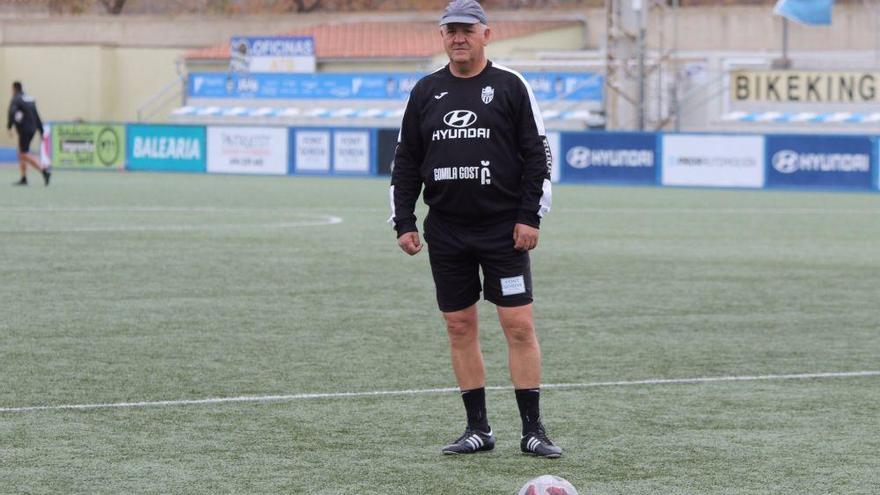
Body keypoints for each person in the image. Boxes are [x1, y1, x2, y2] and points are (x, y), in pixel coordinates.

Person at [388, 0, 560, 458]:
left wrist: (530, 216)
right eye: (450, 31)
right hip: (446, 232)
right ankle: (478, 429)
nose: (458, 37)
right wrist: (403, 220)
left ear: (487, 34)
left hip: (503, 231)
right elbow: (405, 160)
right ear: (442, 37)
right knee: (459, 325)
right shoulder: (426, 91)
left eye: (467, 30)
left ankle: (533, 430)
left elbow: (537, 156)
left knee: (518, 325)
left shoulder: (509, 86)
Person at [7, 81, 49, 186]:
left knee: (23, 154)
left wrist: (9, 126)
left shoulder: (16, 99)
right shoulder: (29, 98)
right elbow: (36, 115)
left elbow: (12, 112)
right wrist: (41, 130)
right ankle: (23, 178)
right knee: (21, 152)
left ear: (14, 89)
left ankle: (44, 170)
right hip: (32, 128)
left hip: (24, 130)